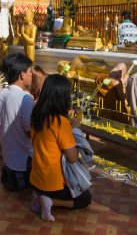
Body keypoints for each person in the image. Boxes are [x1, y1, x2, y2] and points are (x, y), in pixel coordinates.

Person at [30, 74, 92, 222]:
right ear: (62, 97)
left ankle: (38, 195)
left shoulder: (36, 114)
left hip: (36, 178)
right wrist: (76, 131)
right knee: (85, 198)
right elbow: (72, 157)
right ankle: (50, 201)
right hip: (53, 183)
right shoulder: (60, 121)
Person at [0, 53, 34, 191]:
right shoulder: (25, 98)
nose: (32, 76)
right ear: (22, 74)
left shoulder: (3, 93)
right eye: (30, 72)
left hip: (9, 158)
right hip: (23, 161)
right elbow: (30, 131)